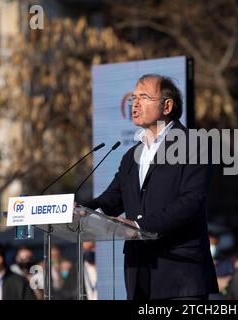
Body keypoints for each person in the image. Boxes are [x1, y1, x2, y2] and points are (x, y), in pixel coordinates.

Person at [79, 74, 218, 300]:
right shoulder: (131, 156)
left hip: (180, 275)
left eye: (143, 97)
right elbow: (111, 201)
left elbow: (191, 202)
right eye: (132, 98)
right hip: (140, 276)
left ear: (167, 105)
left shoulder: (195, 144)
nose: (135, 104)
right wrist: (78, 209)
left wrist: (138, 225)